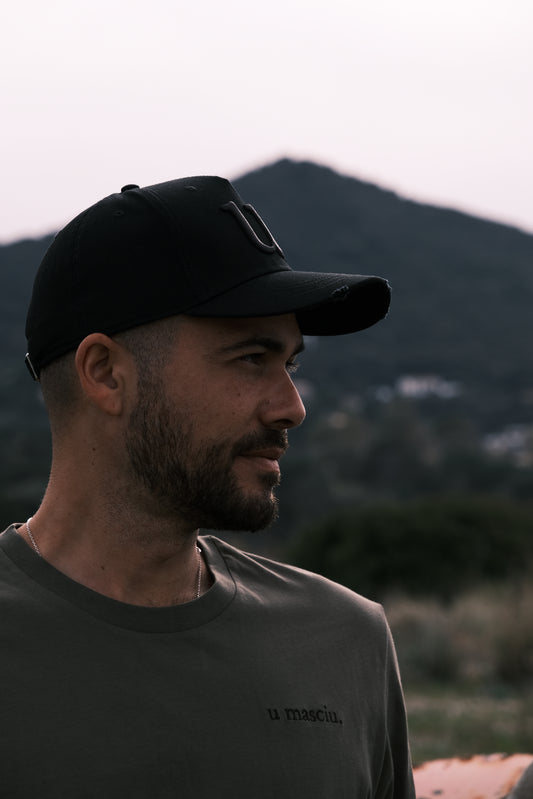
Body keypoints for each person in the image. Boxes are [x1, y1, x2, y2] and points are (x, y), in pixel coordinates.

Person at [1, 176, 414, 797]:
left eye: (290, 363)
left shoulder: (347, 641)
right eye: (252, 358)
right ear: (106, 374)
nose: (292, 407)